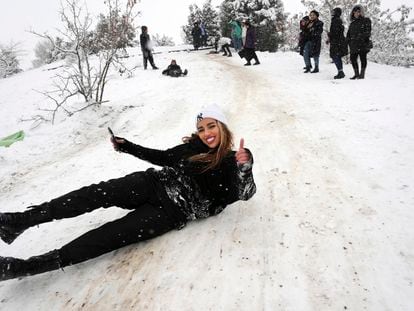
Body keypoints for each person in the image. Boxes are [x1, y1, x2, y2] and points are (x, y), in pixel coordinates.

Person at [0, 106, 257, 281]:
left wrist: (245, 168)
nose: (206, 133)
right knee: (94, 194)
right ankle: (19, 221)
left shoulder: (233, 160)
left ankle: (26, 266)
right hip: (152, 183)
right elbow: (162, 157)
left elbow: (245, 193)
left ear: (222, 127)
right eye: (201, 128)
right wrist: (128, 147)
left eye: (211, 126)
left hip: (170, 212)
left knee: (107, 236)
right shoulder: (191, 147)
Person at [346, 5, 372, 80]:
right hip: (353, 44)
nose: (357, 13)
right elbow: (348, 34)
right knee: (353, 59)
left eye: (358, 12)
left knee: (363, 58)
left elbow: (368, 32)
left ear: (361, 12)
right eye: (355, 12)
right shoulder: (352, 23)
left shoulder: (366, 20)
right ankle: (356, 74)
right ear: (353, 13)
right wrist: (348, 40)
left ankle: (362, 74)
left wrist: (359, 37)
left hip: (362, 43)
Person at [327, 7, 348, 79]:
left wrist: (330, 35)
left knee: (335, 56)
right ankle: (340, 71)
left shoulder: (336, 20)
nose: (332, 13)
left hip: (337, 42)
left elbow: (336, 32)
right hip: (338, 41)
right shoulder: (337, 20)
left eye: (334, 11)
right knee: (336, 56)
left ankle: (340, 72)